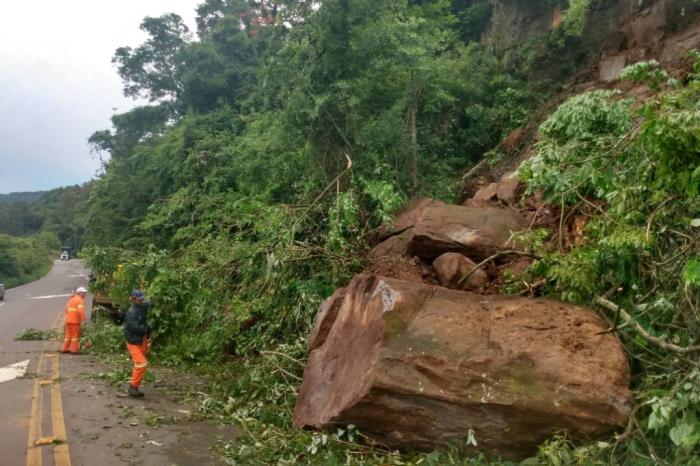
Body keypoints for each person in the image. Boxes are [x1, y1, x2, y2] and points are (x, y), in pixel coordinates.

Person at [124, 289, 151, 397]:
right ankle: (133, 387)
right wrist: (148, 328)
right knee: (142, 363)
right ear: (133, 299)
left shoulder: (142, 307)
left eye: (142, 299)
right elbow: (136, 328)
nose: (141, 301)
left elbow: (150, 305)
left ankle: (135, 387)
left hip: (141, 340)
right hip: (133, 341)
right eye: (139, 299)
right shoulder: (131, 313)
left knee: (140, 364)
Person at [60, 286, 87, 354]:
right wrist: (83, 319)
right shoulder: (80, 300)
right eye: (83, 293)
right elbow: (80, 311)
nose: (85, 294)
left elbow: (66, 310)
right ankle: (74, 350)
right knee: (75, 336)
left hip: (68, 321)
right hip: (75, 322)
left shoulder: (71, 299)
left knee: (68, 336)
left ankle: (64, 349)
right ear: (79, 293)